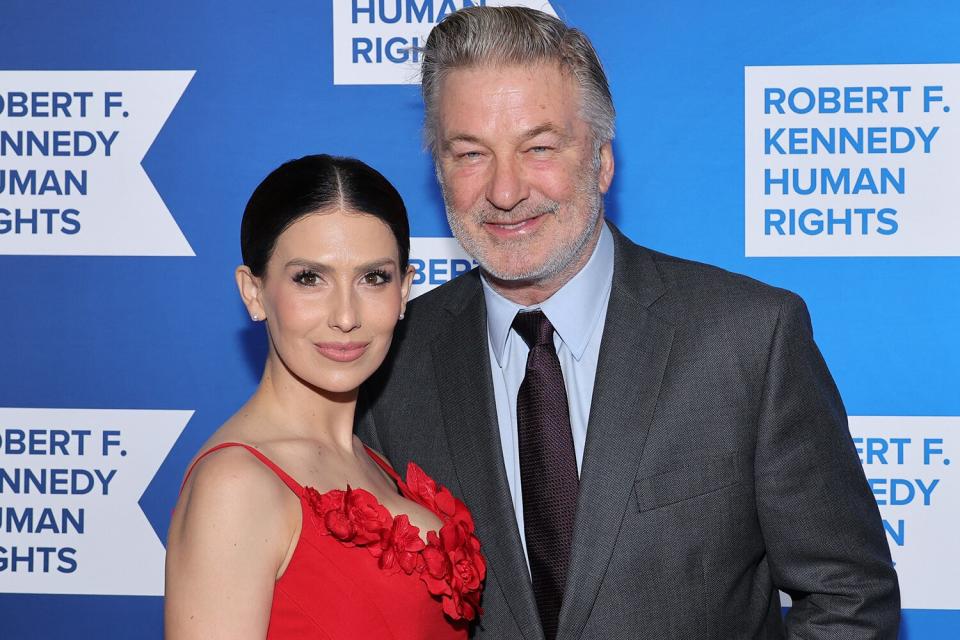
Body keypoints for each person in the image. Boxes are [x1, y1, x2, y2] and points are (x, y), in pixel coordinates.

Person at [358, 7, 899, 640]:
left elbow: (848, 597)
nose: (504, 191)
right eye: (471, 153)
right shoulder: (391, 361)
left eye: (538, 148)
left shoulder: (748, 337)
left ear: (602, 161)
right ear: (439, 170)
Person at [165, 154, 485, 639]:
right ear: (254, 292)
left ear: (404, 291)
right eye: (309, 278)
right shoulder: (235, 486)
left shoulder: (374, 462)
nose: (345, 315)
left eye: (373, 278)